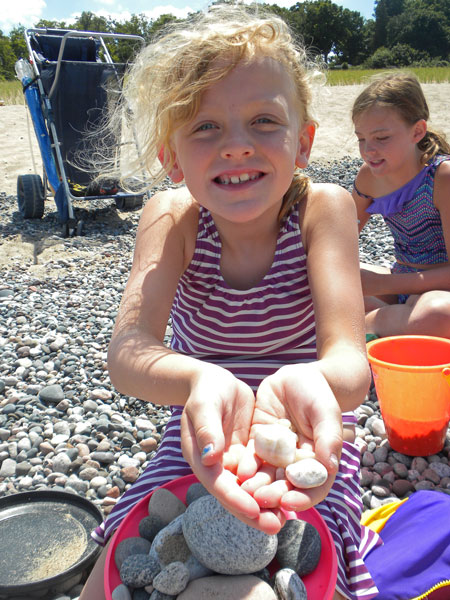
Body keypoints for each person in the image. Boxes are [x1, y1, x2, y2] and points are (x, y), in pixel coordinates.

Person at [80, 6, 380, 599]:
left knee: (310, 552)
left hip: (302, 420)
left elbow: (349, 362)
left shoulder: (323, 210)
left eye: (264, 121)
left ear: (304, 142)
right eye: (205, 128)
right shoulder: (173, 216)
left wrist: (314, 381)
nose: (237, 147)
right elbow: (128, 351)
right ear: (171, 157)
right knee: (134, 543)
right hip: (203, 419)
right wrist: (199, 380)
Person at [352, 71, 450, 339]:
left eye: (381, 138)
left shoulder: (441, 177)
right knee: (320, 284)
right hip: (402, 282)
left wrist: (382, 283)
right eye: (361, 138)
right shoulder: (369, 177)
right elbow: (340, 237)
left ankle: (365, 325)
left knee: (438, 314)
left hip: (441, 294)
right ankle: (394, 319)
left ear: (417, 131)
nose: (368, 150)